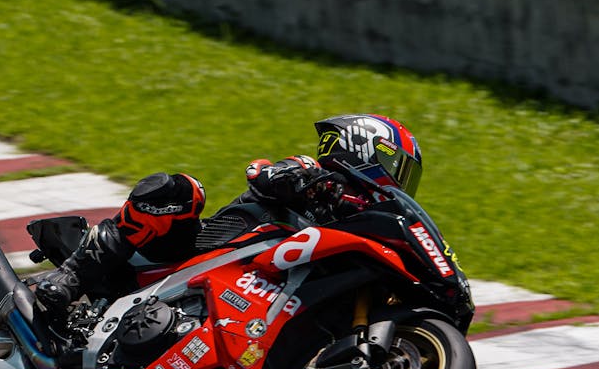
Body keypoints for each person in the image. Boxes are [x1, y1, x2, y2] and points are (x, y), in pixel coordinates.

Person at [35, 114, 424, 314]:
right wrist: (311, 184)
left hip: (258, 297)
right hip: (206, 250)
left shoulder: (358, 228)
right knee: (180, 190)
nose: (400, 181)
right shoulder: (312, 172)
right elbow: (260, 172)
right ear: (364, 146)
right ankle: (72, 276)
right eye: (399, 167)